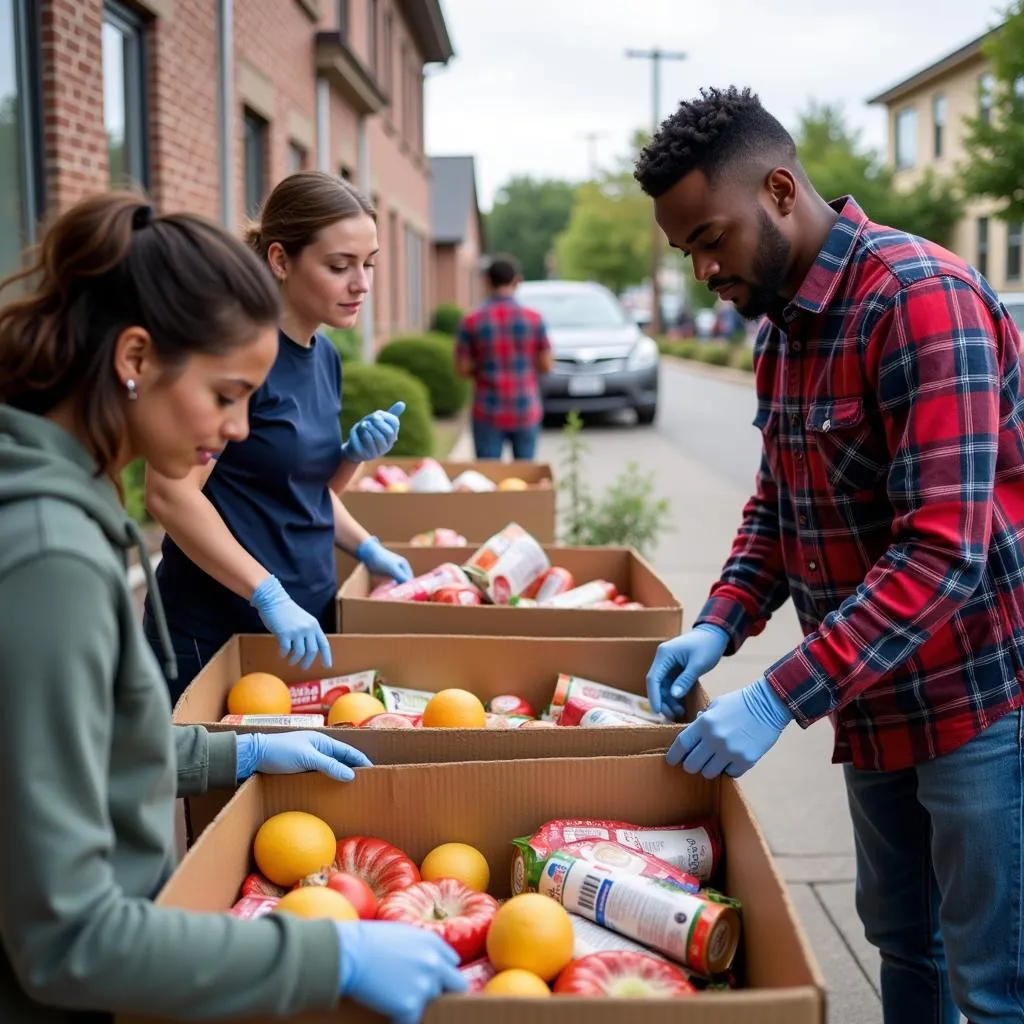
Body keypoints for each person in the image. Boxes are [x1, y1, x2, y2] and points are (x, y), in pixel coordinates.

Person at [0, 192, 466, 1023]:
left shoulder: (73, 504)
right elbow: (68, 941)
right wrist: (329, 953)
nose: (243, 428)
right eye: (225, 394)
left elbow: (83, 750)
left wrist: (236, 754)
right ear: (135, 357)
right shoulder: (51, 558)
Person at [637, 86, 1024, 1024]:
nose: (703, 270)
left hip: (975, 698)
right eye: (686, 250)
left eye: (710, 238)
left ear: (778, 188)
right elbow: (780, 505)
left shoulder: (921, 300)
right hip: (870, 691)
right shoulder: (782, 330)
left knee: (991, 982)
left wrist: (777, 696)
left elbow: (943, 552)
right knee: (903, 943)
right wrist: (720, 623)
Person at [144, 172, 413, 700]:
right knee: (213, 779)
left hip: (302, 623)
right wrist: (266, 592)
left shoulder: (325, 355)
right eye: (340, 266)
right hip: (215, 628)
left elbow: (299, 494)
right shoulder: (232, 352)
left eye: (369, 263)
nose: (361, 283)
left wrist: (364, 535)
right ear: (281, 261)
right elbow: (170, 491)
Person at [455, 253, 553, 459]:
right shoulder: (534, 319)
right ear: (517, 281)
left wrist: (483, 365)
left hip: (487, 410)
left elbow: (462, 369)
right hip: (525, 407)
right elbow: (546, 365)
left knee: (488, 482)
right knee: (525, 481)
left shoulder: (471, 320)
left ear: (487, 281)